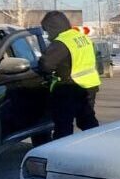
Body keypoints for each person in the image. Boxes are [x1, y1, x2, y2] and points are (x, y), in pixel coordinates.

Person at [37, 11, 101, 139]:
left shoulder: (61, 42)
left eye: (48, 31)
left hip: (69, 87)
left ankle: (61, 153)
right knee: (87, 120)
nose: (48, 34)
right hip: (89, 85)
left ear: (53, 27)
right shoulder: (81, 37)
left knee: (63, 125)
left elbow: (46, 65)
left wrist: (48, 74)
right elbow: (95, 58)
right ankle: (98, 144)